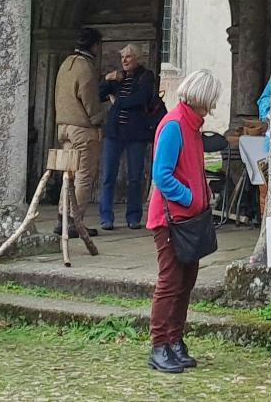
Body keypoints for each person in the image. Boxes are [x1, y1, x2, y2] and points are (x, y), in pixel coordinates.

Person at [147, 67, 222, 374]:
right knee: (169, 282)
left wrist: (204, 196)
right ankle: (159, 344)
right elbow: (161, 175)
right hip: (171, 219)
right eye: (211, 101)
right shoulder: (175, 125)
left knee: (186, 281)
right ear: (201, 99)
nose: (212, 107)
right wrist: (192, 197)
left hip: (190, 219)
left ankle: (176, 340)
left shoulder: (192, 126)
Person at [53, 29, 110, 234]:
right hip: (82, 129)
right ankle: (75, 221)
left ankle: (62, 217)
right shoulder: (85, 67)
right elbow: (90, 99)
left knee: (68, 174)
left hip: (64, 127)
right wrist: (98, 121)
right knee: (83, 176)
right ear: (94, 46)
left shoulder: (65, 65)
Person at [100, 42, 161, 231]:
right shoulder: (117, 77)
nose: (124, 61)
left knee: (135, 176)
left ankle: (134, 217)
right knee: (108, 175)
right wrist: (107, 78)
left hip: (136, 133)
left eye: (128, 57)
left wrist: (117, 101)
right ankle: (106, 217)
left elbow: (139, 99)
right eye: (122, 57)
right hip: (114, 132)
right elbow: (100, 93)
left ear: (137, 58)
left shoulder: (146, 76)